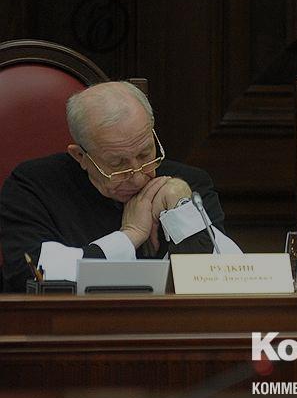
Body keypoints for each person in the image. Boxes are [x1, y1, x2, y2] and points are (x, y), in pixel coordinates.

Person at [0, 81, 240, 293]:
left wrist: (182, 210)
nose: (137, 178)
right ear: (80, 157)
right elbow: (32, 277)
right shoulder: (33, 187)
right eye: (117, 164)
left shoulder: (187, 184)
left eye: (145, 154)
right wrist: (129, 236)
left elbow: (226, 281)